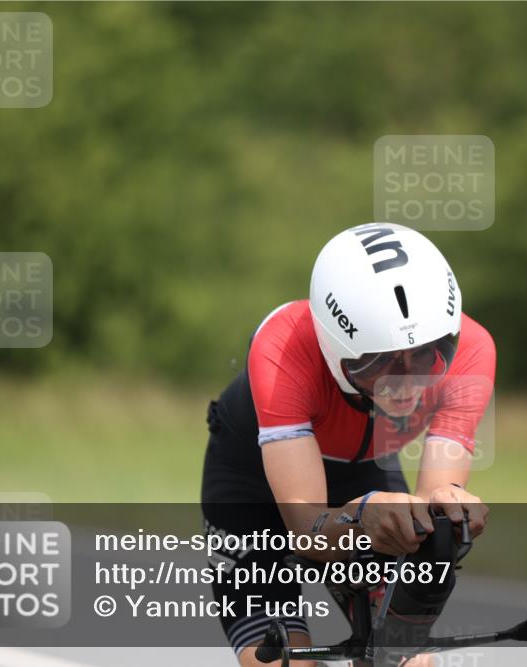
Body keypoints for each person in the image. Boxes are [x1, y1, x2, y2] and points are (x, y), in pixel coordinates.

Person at [201, 223, 495, 666]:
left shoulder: (473, 349)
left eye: (424, 357)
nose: (406, 382)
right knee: (283, 663)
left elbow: (435, 495)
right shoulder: (284, 346)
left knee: (407, 659)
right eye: (378, 363)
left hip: (366, 473)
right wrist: (364, 515)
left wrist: (447, 509)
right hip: (251, 484)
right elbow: (307, 531)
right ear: (332, 346)